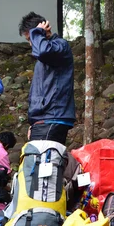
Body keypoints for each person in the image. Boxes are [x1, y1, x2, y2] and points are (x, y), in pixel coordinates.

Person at [18, 12, 75, 145]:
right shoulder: (48, 55)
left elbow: (42, 51)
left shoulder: (60, 46)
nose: (31, 44)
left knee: (42, 164)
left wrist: (38, 33)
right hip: (45, 119)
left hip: (52, 118)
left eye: (30, 39)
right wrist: (34, 122)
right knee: (39, 164)